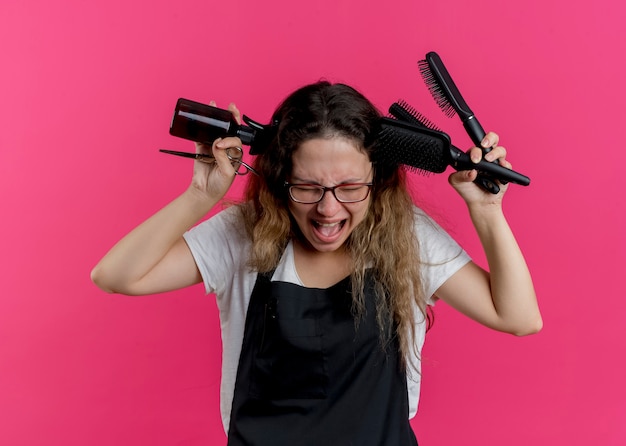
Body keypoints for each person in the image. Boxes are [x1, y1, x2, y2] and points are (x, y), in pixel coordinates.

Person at [91, 81, 542, 445]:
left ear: (378, 180)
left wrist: (487, 212)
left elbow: (518, 317)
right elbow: (116, 276)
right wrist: (201, 194)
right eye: (307, 187)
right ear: (279, 178)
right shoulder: (245, 233)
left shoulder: (407, 236)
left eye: (349, 187)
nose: (328, 210)